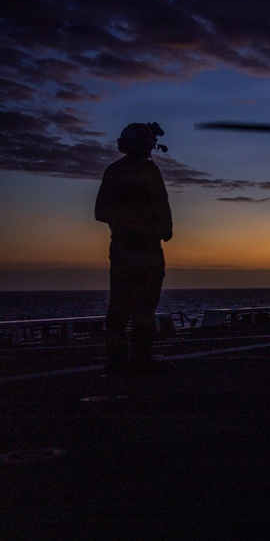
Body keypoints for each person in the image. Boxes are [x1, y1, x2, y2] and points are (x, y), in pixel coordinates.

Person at [95, 122, 173, 375]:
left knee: (119, 305)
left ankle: (115, 360)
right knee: (145, 305)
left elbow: (100, 212)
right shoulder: (149, 171)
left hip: (121, 248)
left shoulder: (113, 171)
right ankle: (140, 359)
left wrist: (124, 222)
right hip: (147, 249)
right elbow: (162, 205)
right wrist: (161, 229)